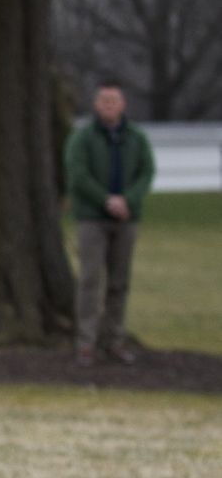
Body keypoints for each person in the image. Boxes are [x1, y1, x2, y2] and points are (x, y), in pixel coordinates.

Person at [65, 83, 155, 366]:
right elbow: (78, 173)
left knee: (119, 282)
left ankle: (114, 340)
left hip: (127, 219)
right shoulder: (82, 138)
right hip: (92, 218)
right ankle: (86, 343)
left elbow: (147, 171)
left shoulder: (136, 138)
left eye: (113, 101)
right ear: (96, 104)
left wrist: (128, 200)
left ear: (123, 104)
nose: (109, 105)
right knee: (91, 280)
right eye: (104, 101)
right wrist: (105, 200)